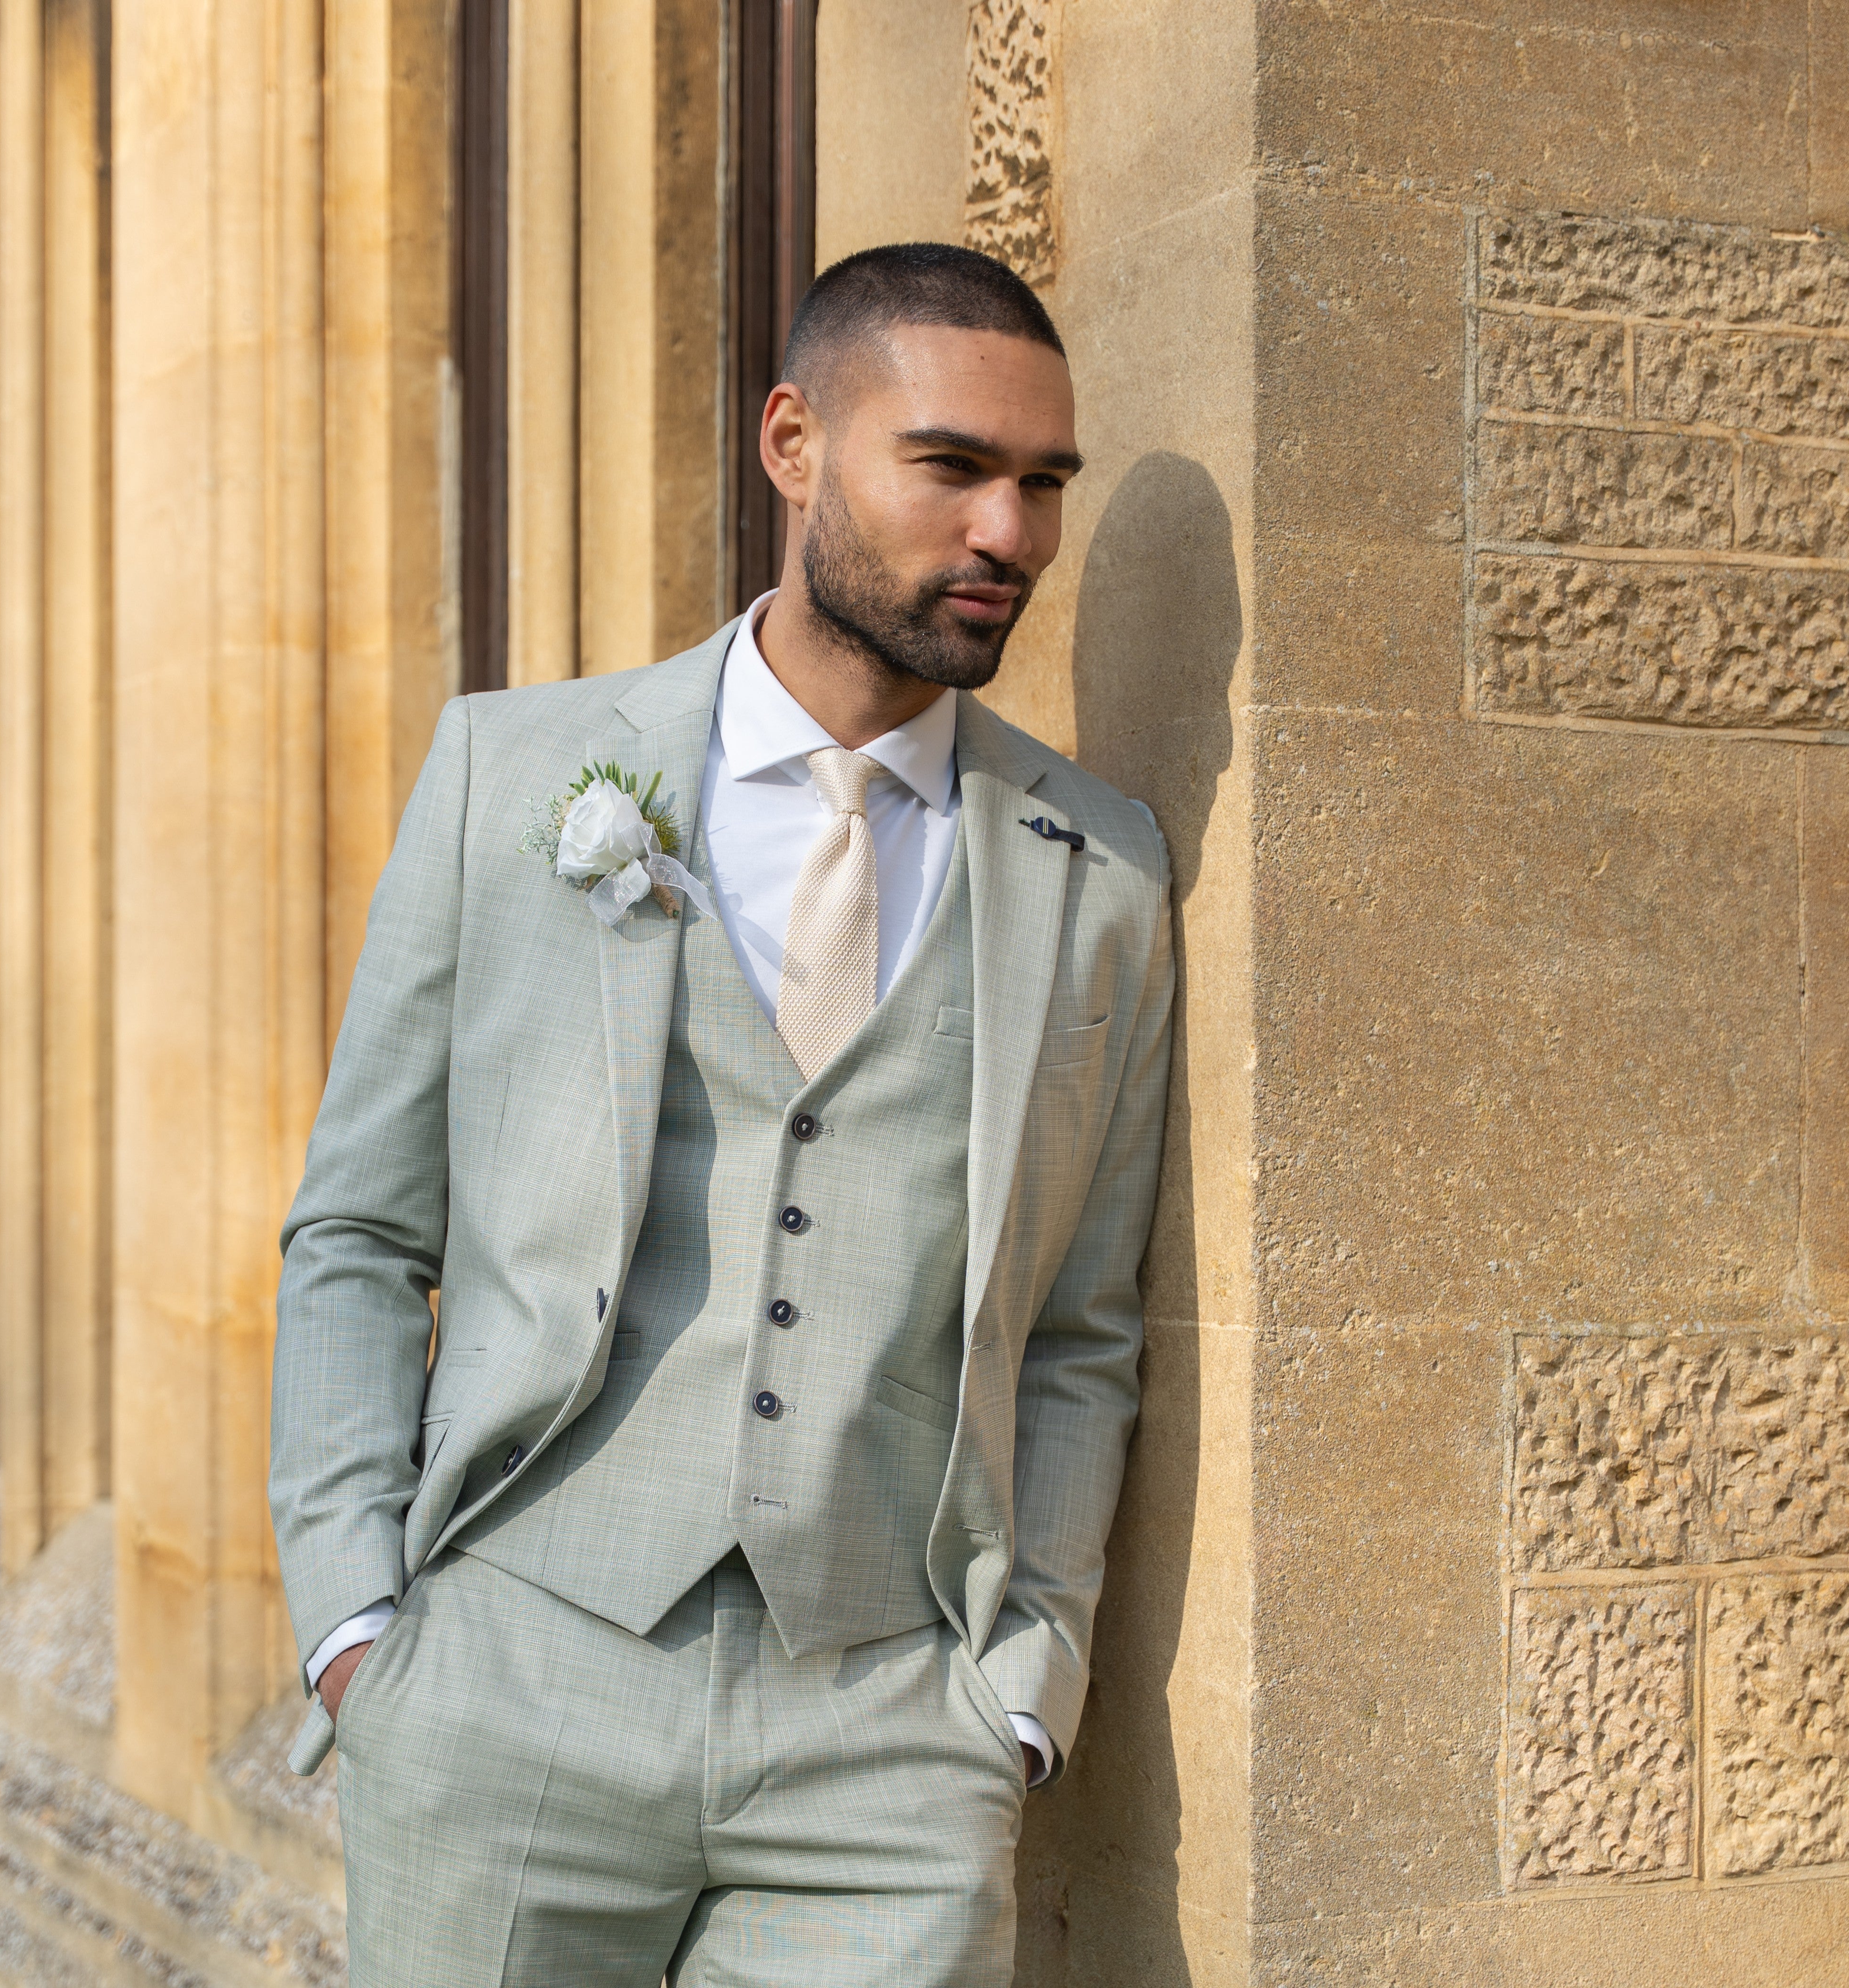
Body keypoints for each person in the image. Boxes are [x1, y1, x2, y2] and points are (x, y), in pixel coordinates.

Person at [269, 240, 1173, 1988]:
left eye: (1045, 486)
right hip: (510, 1688)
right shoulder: (514, 776)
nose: (1012, 536)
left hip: (890, 1745)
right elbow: (360, 1234)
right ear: (792, 444)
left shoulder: (1100, 871)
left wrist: (1025, 1688)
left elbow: (1083, 1329)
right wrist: (357, 1629)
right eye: (954, 468)